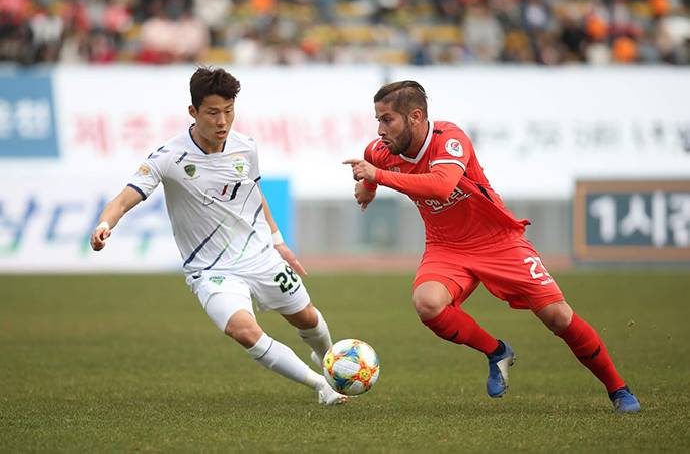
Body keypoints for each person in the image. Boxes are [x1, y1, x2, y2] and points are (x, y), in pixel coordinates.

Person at [344, 80, 641, 413]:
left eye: (387, 120)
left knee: (558, 317)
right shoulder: (383, 151)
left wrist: (376, 178)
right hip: (446, 247)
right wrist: (368, 186)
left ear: (415, 117)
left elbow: (442, 187)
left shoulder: (450, 140)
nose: (380, 129)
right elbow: (371, 159)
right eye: (377, 120)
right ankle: (497, 351)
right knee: (427, 303)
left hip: (499, 242)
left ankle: (618, 389)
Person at [91, 67, 347, 405]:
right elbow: (124, 198)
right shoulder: (169, 157)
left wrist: (278, 240)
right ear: (193, 112)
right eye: (213, 112)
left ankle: (330, 359)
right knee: (244, 331)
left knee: (308, 318)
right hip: (212, 271)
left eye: (229, 111)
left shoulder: (246, 148)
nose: (223, 121)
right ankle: (320, 386)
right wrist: (104, 224)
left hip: (261, 256)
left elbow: (255, 194)